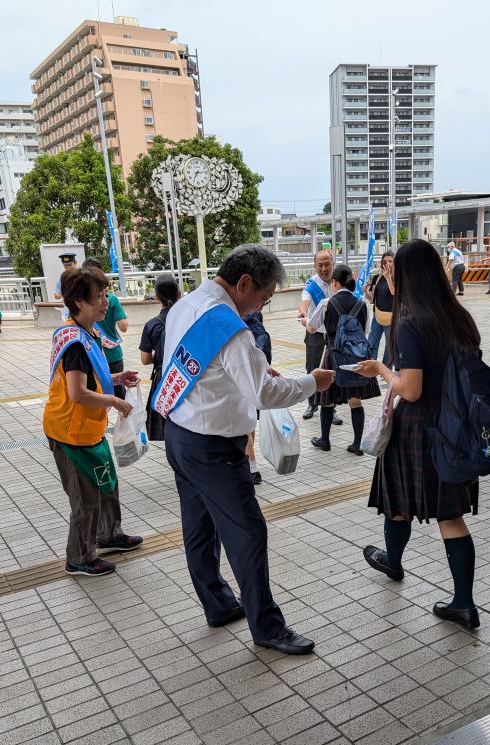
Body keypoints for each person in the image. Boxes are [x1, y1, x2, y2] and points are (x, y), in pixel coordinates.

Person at [159, 244, 335, 654]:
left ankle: (218, 603)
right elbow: (264, 392)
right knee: (249, 532)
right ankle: (268, 628)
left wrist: (251, 365)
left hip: (180, 435)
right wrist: (313, 382)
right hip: (214, 450)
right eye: (264, 296)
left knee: (199, 529)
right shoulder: (230, 326)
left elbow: (204, 368)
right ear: (243, 284)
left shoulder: (189, 303)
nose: (262, 307)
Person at [356, 239, 482, 630]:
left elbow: (409, 388)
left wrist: (380, 369)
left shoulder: (410, 322)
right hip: (455, 426)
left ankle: (393, 561)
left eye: (395, 271)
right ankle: (464, 603)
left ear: (409, 275)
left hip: (417, 429)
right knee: (450, 515)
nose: (390, 276)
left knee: (398, 501)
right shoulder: (458, 316)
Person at [43, 266, 143, 577]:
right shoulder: (74, 342)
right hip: (69, 433)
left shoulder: (89, 332)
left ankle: (109, 535)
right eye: (98, 297)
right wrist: (114, 399)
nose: (105, 302)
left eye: (105, 294)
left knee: (106, 485)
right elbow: (77, 393)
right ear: (78, 303)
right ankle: (79, 558)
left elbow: (90, 379)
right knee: (85, 500)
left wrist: (115, 378)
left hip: (90, 430)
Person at [306, 264, 381, 455]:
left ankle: (325, 440)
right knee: (355, 401)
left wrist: (305, 321)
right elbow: (365, 331)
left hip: (333, 356)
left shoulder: (326, 303)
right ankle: (357, 444)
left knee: (328, 400)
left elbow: (312, 328)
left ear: (334, 282)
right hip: (356, 357)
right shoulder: (361, 304)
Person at [299, 249, 342, 425]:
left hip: (334, 334)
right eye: (320, 265)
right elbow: (305, 302)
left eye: (327, 264)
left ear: (333, 264)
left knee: (333, 369)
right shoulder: (311, 284)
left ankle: (332, 408)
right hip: (315, 333)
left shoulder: (339, 282)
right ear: (315, 266)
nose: (324, 268)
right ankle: (312, 404)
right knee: (312, 367)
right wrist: (302, 312)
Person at [139, 274, 180, 441]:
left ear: (157, 297)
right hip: (185, 375)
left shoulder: (152, 324)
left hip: (162, 377)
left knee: (165, 426)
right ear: (179, 294)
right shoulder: (187, 318)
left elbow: (145, 359)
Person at [82, 258, 128, 399]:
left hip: (92, 354)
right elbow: (123, 326)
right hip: (111, 354)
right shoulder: (112, 300)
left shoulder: (82, 304)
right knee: (119, 395)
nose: (105, 302)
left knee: (97, 390)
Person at [243, 310, 272, 486]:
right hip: (258, 379)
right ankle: (249, 462)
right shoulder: (257, 321)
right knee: (251, 420)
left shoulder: (239, 324)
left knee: (245, 423)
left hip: (243, 378)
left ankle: (252, 468)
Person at [364, 251, 395, 365]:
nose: (387, 263)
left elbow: (395, 293)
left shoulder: (399, 278)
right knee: (371, 343)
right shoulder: (377, 277)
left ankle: (386, 370)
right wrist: (365, 291)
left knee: (389, 347)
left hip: (392, 318)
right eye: (385, 261)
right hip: (377, 316)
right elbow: (372, 298)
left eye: (390, 261)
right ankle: (371, 367)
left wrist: (388, 277)